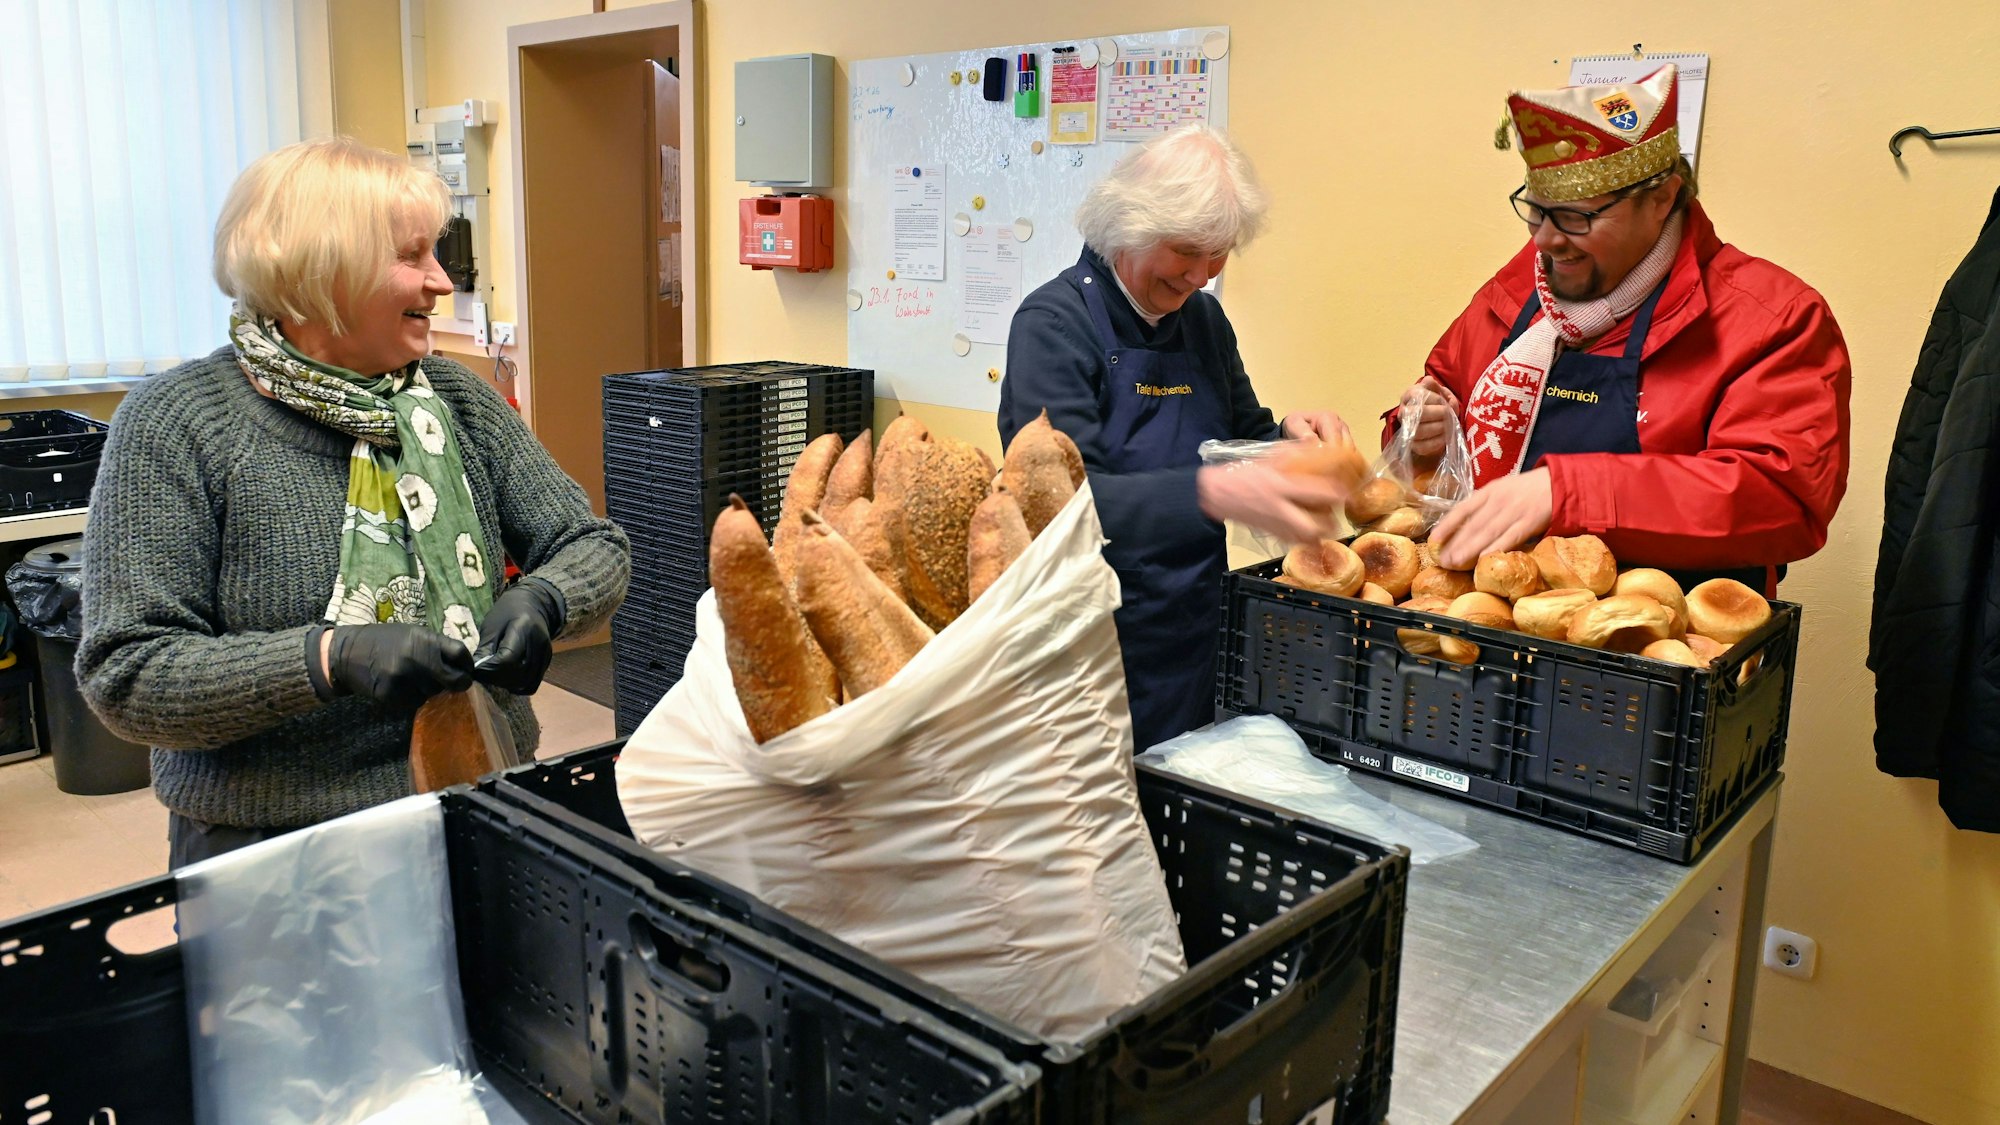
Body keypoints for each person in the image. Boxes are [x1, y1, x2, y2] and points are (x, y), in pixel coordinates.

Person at [77, 137, 631, 867]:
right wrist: (328, 658)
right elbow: (130, 673)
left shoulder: (456, 400)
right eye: (413, 257)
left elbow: (593, 544)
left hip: (487, 798)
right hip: (279, 852)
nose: (440, 281)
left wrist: (547, 601)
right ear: (318, 269)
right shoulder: (178, 423)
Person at [1400, 65, 1850, 593]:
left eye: (1575, 217)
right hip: (1493, 624)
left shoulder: (1771, 319)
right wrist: (1423, 429)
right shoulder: (1522, 286)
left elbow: (1781, 500)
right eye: (1537, 212)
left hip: (1661, 646)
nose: (1545, 240)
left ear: (1662, 198)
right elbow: (1445, 393)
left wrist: (1564, 495)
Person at [999, 126, 1349, 754]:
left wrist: (1286, 440)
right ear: (1126, 225)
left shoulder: (1203, 321)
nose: (1201, 275)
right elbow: (1061, 505)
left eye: (1219, 253)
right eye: (1186, 250)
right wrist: (1212, 491)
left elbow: (1240, 437)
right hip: (1090, 641)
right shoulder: (1053, 326)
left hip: (1191, 625)